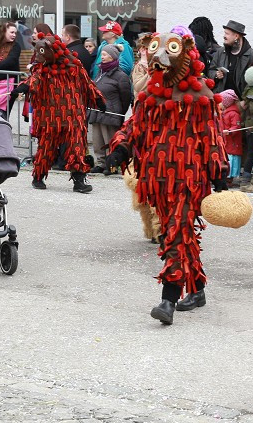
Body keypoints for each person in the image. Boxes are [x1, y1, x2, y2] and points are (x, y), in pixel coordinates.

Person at [106, 31, 229, 324]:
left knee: (176, 233)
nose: (161, 56)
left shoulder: (200, 95)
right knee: (180, 234)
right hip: (157, 181)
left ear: (184, 53)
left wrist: (219, 172)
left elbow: (212, 137)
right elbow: (134, 125)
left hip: (189, 180)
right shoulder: (150, 95)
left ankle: (168, 299)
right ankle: (197, 290)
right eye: (155, 49)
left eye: (171, 49)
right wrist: (121, 148)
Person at [26, 32, 103, 193]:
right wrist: (25, 87)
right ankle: (38, 176)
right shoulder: (42, 69)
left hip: (74, 115)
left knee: (77, 147)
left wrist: (97, 98)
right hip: (51, 116)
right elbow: (34, 82)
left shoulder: (75, 66)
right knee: (46, 147)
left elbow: (87, 83)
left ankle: (79, 180)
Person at [88, 44, 132, 174]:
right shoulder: (101, 72)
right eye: (102, 54)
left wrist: (119, 113)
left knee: (110, 140)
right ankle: (101, 163)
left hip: (110, 113)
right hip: (97, 112)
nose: (102, 57)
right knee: (97, 140)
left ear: (113, 57)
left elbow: (126, 97)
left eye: (105, 54)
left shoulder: (121, 76)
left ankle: (112, 164)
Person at [206, 20, 253, 96]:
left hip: (240, 101)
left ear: (236, 36)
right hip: (220, 99)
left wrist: (244, 102)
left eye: (227, 34)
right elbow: (211, 70)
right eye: (224, 33)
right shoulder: (220, 52)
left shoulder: (252, 55)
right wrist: (216, 75)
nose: (224, 36)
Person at [218, 89, 243, 183]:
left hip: (232, 141)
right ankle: (224, 176)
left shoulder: (233, 114)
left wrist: (230, 131)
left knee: (231, 158)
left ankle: (229, 177)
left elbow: (236, 126)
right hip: (225, 141)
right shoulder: (224, 113)